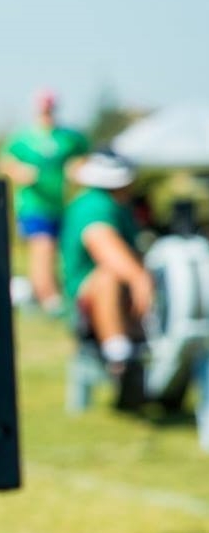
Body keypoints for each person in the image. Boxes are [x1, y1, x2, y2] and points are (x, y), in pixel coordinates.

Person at [60, 151, 153, 405]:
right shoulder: (94, 204)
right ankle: (118, 354)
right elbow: (103, 244)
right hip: (89, 300)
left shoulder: (118, 206)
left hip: (122, 299)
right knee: (109, 275)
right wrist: (140, 279)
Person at [0, 89, 89, 316]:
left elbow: (84, 157)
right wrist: (20, 172)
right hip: (33, 205)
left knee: (62, 252)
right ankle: (49, 299)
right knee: (42, 249)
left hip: (61, 204)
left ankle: (56, 294)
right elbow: (5, 162)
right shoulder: (23, 138)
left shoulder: (68, 137)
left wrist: (77, 170)